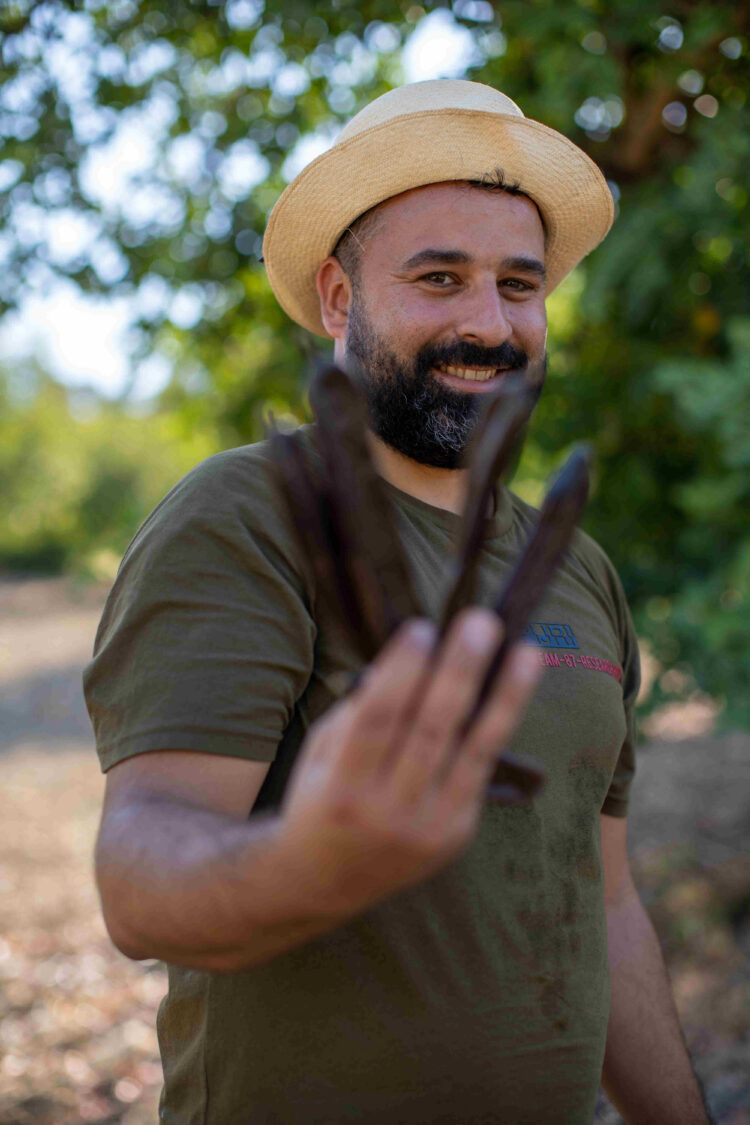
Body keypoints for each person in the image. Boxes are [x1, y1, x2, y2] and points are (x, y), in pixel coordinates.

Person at [84, 80, 710, 1124]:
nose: (487, 321)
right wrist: (311, 862)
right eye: (437, 276)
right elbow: (139, 880)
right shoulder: (250, 515)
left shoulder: (576, 564)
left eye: (520, 284)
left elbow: (601, 904)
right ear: (339, 297)